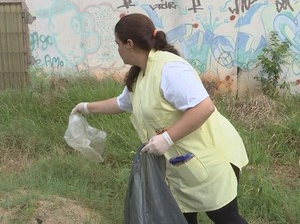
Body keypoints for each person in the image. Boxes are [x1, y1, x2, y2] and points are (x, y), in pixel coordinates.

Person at [72, 13, 249, 224]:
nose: (116, 49)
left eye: (117, 43)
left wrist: (166, 139)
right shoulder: (141, 74)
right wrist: (85, 107)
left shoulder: (170, 69)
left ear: (129, 44)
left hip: (209, 161)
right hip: (178, 167)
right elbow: (122, 103)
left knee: (225, 218)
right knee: (179, 219)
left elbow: (204, 107)